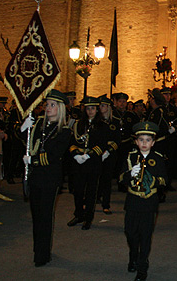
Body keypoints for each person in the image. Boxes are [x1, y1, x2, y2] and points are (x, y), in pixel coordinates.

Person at [23, 90, 72, 267]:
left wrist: (33, 160)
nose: (48, 107)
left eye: (52, 105)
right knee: (36, 215)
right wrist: (23, 128)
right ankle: (38, 249)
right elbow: (27, 144)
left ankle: (43, 254)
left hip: (50, 178)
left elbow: (53, 155)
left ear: (59, 109)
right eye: (47, 104)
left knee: (45, 215)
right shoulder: (38, 126)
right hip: (36, 177)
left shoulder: (64, 131)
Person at [120, 121, 168, 280]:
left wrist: (153, 181)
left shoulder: (158, 158)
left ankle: (142, 266)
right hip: (133, 201)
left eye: (148, 140)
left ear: (153, 142)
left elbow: (164, 180)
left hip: (149, 203)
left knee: (146, 235)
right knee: (130, 232)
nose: (144, 143)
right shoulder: (130, 157)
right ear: (136, 141)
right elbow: (121, 178)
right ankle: (133, 254)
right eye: (141, 140)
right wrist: (129, 174)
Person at [68, 96, 110, 230]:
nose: (90, 111)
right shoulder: (78, 124)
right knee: (78, 190)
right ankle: (79, 214)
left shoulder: (102, 126)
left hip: (93, 162)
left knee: (91, 191)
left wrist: (88, 155)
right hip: (79, 162)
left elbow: (102, 145)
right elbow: (72, 142)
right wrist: (76, 155)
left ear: (97, 110)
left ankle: (88, 217)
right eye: (88, 108)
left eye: (93, 108)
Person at [97, 94, 120, 214]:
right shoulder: (96, 122)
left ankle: (106, 204)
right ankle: (94, 199)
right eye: (100, 106)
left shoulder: (115, 121)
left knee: (107, 179)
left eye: (103, 106)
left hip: (109, 154)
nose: (101, 108)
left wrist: (108, 151)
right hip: (97, 153)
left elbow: (117, 140)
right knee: (95, 178)